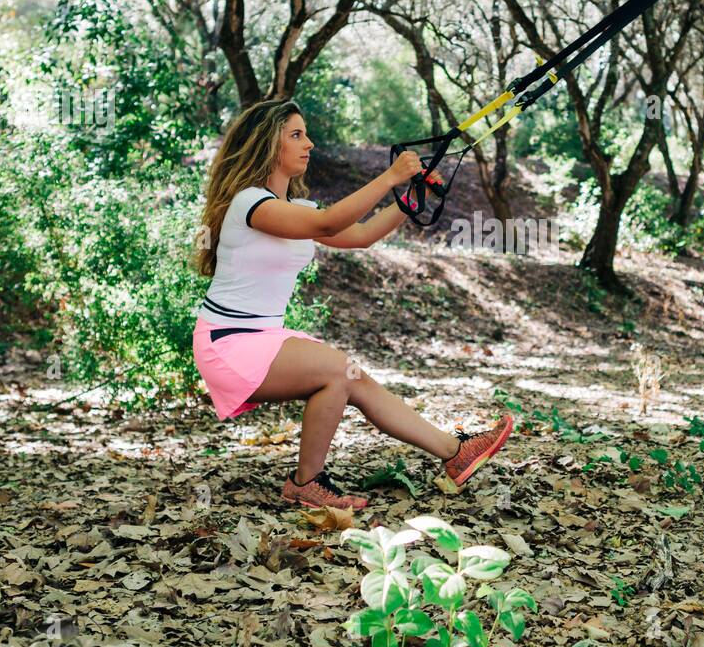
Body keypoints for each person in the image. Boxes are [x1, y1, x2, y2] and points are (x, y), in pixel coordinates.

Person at [191, 98, 512, 510]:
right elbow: (328, 224)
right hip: (228, 340)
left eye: (305, 134)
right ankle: (306, 483)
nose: (309, 143)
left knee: (352, 376)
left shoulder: (292, 208)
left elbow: (357, 235)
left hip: (261, 336)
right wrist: (390, 176)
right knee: (337, 370)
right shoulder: (251, 204)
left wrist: (410, 197)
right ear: (267, 144)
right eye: (296, 135)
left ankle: (455, 453)